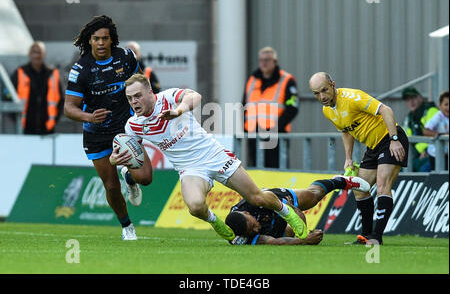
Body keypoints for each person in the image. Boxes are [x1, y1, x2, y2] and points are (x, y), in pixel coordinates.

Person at [109, 73, 309, 241]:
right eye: (130, 98)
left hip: (214, 155)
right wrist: (114, 161)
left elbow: (195, 96)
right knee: (195, 207)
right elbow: (127, 150)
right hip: (189, 169)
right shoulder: (133, 125)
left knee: (256, 197)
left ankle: (286, 211)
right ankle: (216, 223)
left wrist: (178, 110)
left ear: (150, 92)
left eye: (137, 96)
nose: (134, 101)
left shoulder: (168, 98)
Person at [64, 15, 151, 240]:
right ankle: (127, 227)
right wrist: (89, 117)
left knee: (145, 178)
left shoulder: (126, 58)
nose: (101, 43)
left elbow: (140, 86)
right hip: (96, 134)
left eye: (105, 38)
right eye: (96, 39)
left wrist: (145, 113)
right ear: (89, 41)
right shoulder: (80, 69)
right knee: (111, 186)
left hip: (125, 128)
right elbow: (68, 108)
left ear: (112, 40)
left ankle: (131, 179)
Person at [309, 72, 409, 245]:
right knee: (360, 189)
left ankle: (376, 237)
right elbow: (346, 130)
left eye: (324, 90)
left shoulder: (352, 97)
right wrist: (348, 157)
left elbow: (386, 110)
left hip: (389, 138)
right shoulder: (327, 110)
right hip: (373, 147)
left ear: (333, 84)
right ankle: (365, 236)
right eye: (316, 93)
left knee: (382, 186)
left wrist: (394, 140)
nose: (322, 96)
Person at [226, 175, 370, 245]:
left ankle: (341, 181)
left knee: (313, 196)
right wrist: (304, 240)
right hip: (273, 227)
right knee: (290, 233)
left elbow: (297, 214)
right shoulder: (238, 235)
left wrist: (293, 208)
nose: (256, 230)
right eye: (250, 232)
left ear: (247, 213)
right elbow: (271, 242)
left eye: (253, 226)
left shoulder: (256, 201)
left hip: (276, 202)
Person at [243, 46, 299, 168]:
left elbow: (292, 108)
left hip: (276, 135)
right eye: (261, 60)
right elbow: (244, 104)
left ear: (275, 61)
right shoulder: (252, 79)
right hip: (254, 134)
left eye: (267, 59)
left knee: (277, 169)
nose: (264, 63)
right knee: (256, 169)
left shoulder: (286, 80)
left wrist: (275, 128)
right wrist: (246, 127)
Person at [10, 41, 63, 134]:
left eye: (39, 52)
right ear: (29, 54)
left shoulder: (52, 74)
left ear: (44, 54)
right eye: (34, 52)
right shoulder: (20, 72)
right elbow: (8, 96)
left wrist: (54, 120)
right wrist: (15, 118)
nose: (37, 55)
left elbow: (61, 101)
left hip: (48, 129)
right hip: (25, 129)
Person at [401, 87, 439, 172]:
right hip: (417, 155)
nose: (411, 102)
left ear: (420, 97)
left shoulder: (431, 111)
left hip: (434, 153)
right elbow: (404, 136)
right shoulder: (409, 118)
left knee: (423, 169)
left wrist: (426, 149)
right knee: (397, 168)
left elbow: (439, 134)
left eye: (413, 98)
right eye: (407, 100)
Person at [423, 91, 449, 170]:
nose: (448, 107)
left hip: (446, 153)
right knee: (438, 175)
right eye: (446, 104)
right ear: (440, 106)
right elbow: (426, 131)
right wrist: (441, 135)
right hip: (436, 154)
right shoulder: (438, 116)